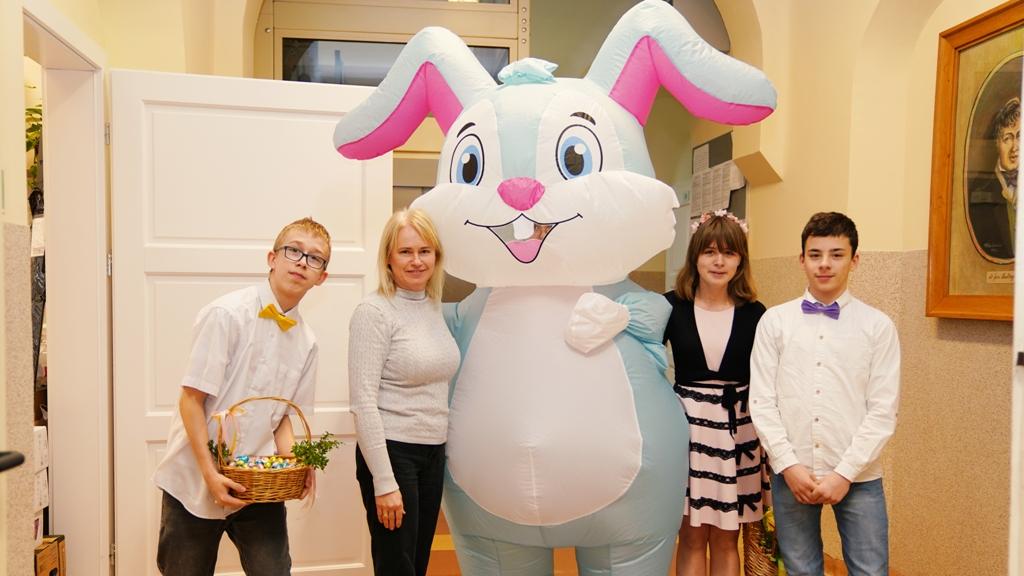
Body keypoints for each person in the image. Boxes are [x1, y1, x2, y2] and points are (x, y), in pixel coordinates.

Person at [153, 216, 331, 576]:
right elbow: (191, 400)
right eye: (294, 251)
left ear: (321, 277)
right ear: (272, 258)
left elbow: (281, 419)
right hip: (193, 478)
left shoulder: (308, 343)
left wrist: (296, 464)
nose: (302, 262)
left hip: (258, 486)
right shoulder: (226, 315)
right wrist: (210, 473)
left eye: (314, 258)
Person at [749, 212, 900, 576]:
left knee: (870, 570)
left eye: (836, 254)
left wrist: (843, 473)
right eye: (815, 254)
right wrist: (788, 464)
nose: (825, 264)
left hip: (858, 474)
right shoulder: (774, 322)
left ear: (855, 260)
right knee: (800, 569)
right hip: (792, 471)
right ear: (801, 259)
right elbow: (762, 401)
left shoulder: (878, 326)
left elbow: (883, 411)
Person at [349, 208, 460, 576]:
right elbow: (363, 404)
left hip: (433, 452)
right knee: (397, 567)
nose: (416, 261)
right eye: (405, 252)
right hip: (392, 453)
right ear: (388, 258)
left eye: (425, 251)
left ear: (436, 257)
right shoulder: (373, 312)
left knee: (417, 565)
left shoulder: (433, 307)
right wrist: (384, 482)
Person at [664, 210, 768, 576]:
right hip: (687, 431)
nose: (719, 261)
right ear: (695, 256)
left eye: (729, 252)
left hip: (739, 431)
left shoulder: (756, 313)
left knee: (727, 538)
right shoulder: (671, 306)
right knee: (691, 535)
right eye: (709, 251)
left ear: (741, 260)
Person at [967, 96, 1018, 261]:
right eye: (1008, 138)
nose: (1015, 148)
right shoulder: (980, 190)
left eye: (1020, 136)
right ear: (997, 143)